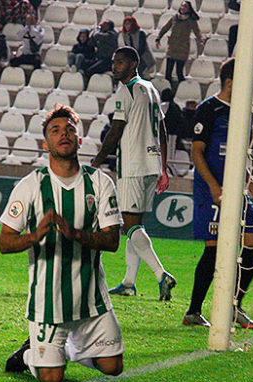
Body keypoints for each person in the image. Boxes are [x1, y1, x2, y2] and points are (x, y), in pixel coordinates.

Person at [1, 104, 125, 381]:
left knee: (113, 367)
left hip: (91, 299)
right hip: (47, 301)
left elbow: (113, 241)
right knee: (51, 378)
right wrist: (34, 236)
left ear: (79, 140)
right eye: (55, 130)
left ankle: (66, 348)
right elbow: (4, 243)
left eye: (70, 129)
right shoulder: (30, 185)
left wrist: (76, 234)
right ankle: (28, 355)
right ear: (46, 143)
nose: (64, 134)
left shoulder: (100, 183)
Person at [91, 46, 177, 301]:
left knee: (130, 225)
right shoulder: (150, 89)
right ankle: (129, 282)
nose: (114, 65)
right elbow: (162, 128)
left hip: (133, 165)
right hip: (151, 164)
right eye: (113, 61)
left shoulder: (125, 90)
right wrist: (163, 164)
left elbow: (115, 131)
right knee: (135, 223)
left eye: (119, 62)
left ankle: (162, 274)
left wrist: (96, 161)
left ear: (132, 65)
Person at [184, 58, 253, 329]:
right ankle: (193, 311)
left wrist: (250, 182)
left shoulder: (244, 111)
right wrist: (214, 186)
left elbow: (238, 152)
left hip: (237, 189)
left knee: (252, 243)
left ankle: (235, 305)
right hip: (211, 190)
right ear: (230, 81)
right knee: (215, 249)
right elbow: (196, 152)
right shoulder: (209, 109)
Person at [156, 1, 202, 85]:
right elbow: (166, 27)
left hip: (182, 48)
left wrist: (200, 40)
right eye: (182, 6)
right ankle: (168, 89)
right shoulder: (175, 17)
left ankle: (183, 87)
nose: (183, 8)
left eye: (185, 6)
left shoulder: (191, 20)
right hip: (172, 47)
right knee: (168, 72)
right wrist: (159, 37)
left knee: (179, 72)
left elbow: (197, 31)